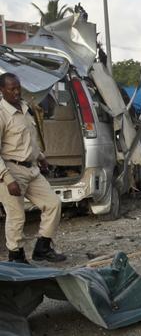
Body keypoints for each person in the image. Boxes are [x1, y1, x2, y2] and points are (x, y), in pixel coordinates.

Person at [0, 72, 65, 263]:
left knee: (53, 204)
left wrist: (40, 157)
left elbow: (29, 139)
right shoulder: (2, 113)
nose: (16, 92)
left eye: (18, 87)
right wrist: (7, 178)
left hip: (31, 169)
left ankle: (42, 248)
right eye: (11, 88)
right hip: (11, 170)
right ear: (2, 90)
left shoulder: (24, 107)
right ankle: (16, 256)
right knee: (17, 216)